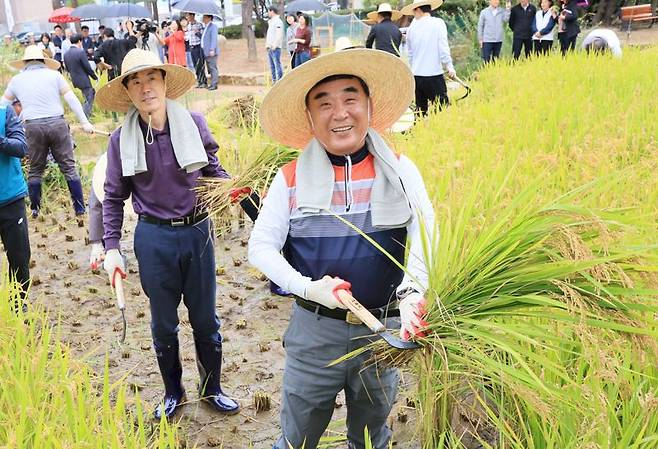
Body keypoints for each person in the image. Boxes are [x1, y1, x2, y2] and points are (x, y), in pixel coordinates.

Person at [251, 47, 435, 449]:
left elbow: (425, 233)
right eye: (325, 103)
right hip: (315, 332)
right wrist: (308, 287)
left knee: (372, 435)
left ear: (369, 107)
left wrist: (414, 292)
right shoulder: (290, 178)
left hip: (380, 329)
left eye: (350, 99)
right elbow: (261, 248)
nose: (340, 113)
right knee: (298, 436)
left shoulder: (401, 169)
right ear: (311, 118)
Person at [96, 48, 240, 420]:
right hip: (154, 238)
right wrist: (111, 246)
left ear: (164, 83)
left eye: (151, 79)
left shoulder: (193, 123)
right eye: (136, 82)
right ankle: (173, 392)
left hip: (197, 234)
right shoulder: (120, 140)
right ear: (128, 92)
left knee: (206, 320)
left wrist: (231, 188)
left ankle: (212, 389)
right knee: (163, 323)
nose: (145, 89)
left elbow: (213, 170)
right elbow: (113, 198)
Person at [1, 46, 94, 218]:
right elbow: (71, 98)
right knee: (69, 167)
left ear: (25, 63)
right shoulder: (54, 75)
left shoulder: (17, 80)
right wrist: (85, 122)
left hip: (32, 127)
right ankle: (80, 208)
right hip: (57, 124)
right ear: (43, 61)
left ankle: (35, 209)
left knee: (36, 169)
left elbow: (3, 106)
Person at [0, 91, 30, 310]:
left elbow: (21, 147)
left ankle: (18, 308)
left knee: (19, 258)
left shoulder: (5, 113)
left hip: (10, 198)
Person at [402, 0, 456, 116]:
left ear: (418, 9)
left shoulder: (411, 28)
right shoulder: (438, 23)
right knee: (442, 110)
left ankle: (421, 132)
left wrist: (414, 68)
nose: (413, 14)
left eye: (414, 11)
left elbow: (410, 54)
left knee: (421, 111)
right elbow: (443, 49)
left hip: (417, 76)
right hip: (434, 75)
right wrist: (449, 67)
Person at [64, 33, 98, 119]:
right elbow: (87, 67)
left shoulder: (66, 54)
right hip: (83, 79)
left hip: (75, 79)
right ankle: (85, 116)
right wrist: (95, 77)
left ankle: (87, 114)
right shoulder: (80, 52)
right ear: (79, 41)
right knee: (90, 97)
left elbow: (67, 68)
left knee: (87, 95)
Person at [186, 12, 207, 87]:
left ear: (192, 15)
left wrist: (197, 33)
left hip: (198, 47)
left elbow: (203, 37)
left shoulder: (199, 25)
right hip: (191, 48)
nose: (187, 17)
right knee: (195, 65)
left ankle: (204, 82)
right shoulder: (188, 26)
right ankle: (199, 81)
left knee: (200, 65)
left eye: (188, 15)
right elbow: (188, 37)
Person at [266, 6, 284, 83]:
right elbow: (270, 35)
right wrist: (267, 45)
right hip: (270, 47)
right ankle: (274, 81)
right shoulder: (271, 21)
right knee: (272, 66)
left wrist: (275, 45)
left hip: (275, 48)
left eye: (268, 11)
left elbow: (279, 35)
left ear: (272, 11)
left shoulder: (278, 21)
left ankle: (279, 81)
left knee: (277, 65)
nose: (268, 13)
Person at [201, 15, 219, 91]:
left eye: (204, 17)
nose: (203, 18)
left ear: (208, 18)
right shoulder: (206, 27)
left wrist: (212, 49)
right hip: (206, 51)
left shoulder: (213, 27)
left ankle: (214, 84)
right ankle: (212, 83)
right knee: (210, 68)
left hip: (211, 51)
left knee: (212, 68)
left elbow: (214, 39)